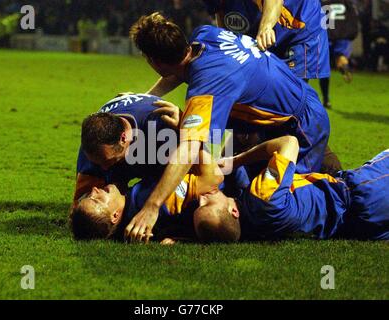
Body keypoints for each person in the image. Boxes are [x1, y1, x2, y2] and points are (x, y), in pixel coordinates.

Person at [126, 12, 335, 242]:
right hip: (281, 113)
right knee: (223, 165)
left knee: (275, 208)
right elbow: (179, 71)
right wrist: (142, 99)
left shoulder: (207, 84)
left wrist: (152, 206)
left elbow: (189, 149)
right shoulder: (204, 35)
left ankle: (340, 203)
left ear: (154, 62)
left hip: (301, 123)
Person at [194, 136, 389, 241]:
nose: (201, 198)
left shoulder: (248, 228)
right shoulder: (262, 198)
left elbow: (217, 226)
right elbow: (289, 143)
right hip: (361, 194)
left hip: (360, 228)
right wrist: (237, 160)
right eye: (206, 202)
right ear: (234, 211)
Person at [70, 149, 224, 241]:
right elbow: (214, 177)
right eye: (97, 201)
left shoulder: (131, 215)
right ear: (115, 216)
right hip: (232, 186)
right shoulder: (149, 200)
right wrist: (189, 134)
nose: (94, 190)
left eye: (89, 196)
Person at [73, 93, 180, 206]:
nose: (103, 168)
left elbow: (193, 175)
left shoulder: (162, 125)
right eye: (97, 162)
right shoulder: (95, 142)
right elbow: (82, 206)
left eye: (108, 161)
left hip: (157, 149)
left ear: (123, 138)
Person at [201, 0, 331, 81]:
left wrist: (266, 27)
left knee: (291, 88)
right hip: (255, 27)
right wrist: (228, 48)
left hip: (299, 26)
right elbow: (219, 10)